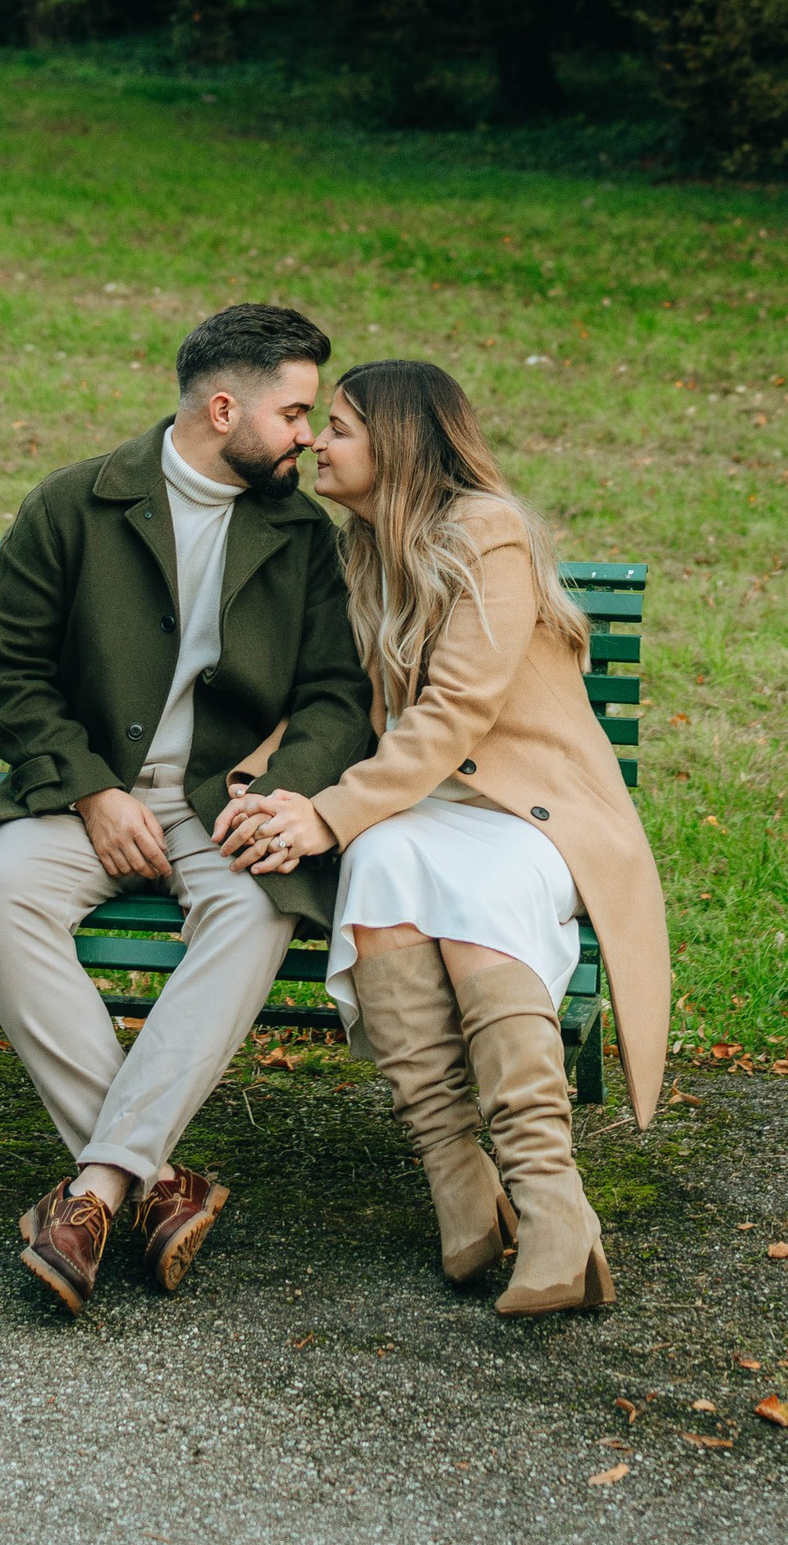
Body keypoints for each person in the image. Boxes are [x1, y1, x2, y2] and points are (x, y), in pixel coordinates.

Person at [0, 301, 374, 1315]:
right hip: (85, 793)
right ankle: (153, 1183)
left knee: (257, 907)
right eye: (294, 413)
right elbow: (7, 673)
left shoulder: (302, 537)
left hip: (222, 802)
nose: (307, 435)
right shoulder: (74, 505)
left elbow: (337, 695)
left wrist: (276, 794)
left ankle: (97, 1191)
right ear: (224, 409)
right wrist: (90, 790)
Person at [216, 357, 669, 1317]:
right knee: (380, 863)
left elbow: (456, 708)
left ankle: (552, 1207)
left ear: (399, 445)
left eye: (340, 427)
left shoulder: (488, 534)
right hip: (424, 808)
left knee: (467, 898)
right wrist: (265, 779)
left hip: (533, 813)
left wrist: (327, 813)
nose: (316, 440)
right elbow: (339, 696)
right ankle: (456, 1177)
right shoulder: (362, 550)